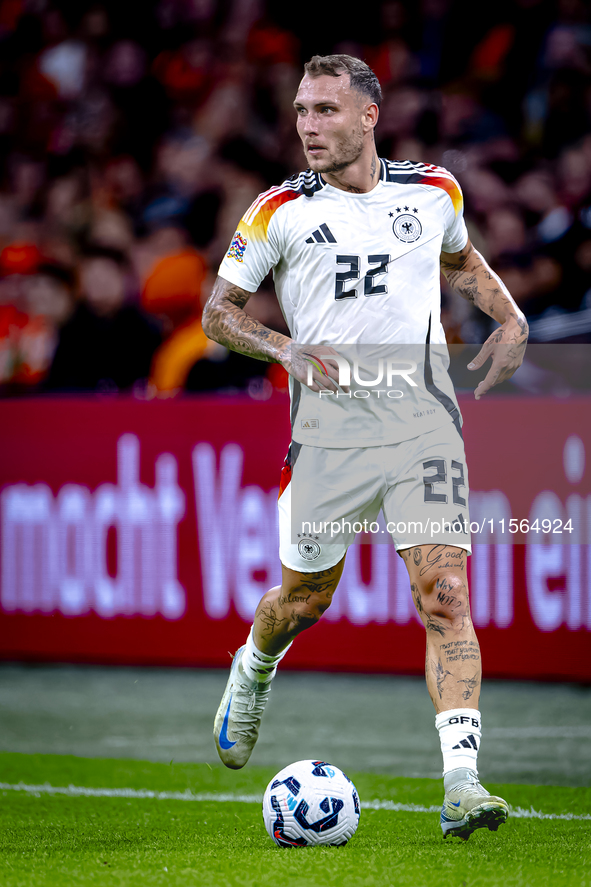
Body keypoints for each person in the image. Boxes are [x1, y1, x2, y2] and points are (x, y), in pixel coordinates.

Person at [202, 54, 528, 841]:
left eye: (324, 110)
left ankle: (461, 784)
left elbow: (458, 258)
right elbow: (219, 313)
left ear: (368, 115)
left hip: (423, 422)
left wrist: (510, 317)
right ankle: (255, 663)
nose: (308, 126)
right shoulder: (277, 208)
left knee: (443, 594)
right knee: (304, 601)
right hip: (327, 435)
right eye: (301, 111)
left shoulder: (432, 190)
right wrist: (282, 349)